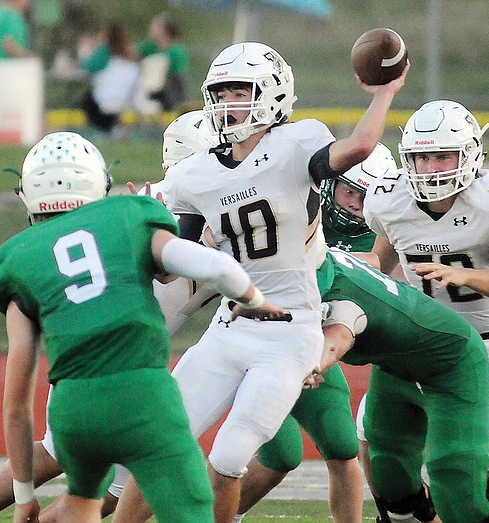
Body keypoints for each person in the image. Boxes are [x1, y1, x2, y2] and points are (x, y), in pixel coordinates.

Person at [110, 41, 408, 523]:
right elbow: (173, 265)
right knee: (161, 440)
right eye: (221, 92)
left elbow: (360, 147)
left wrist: (384, 93)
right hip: (231, 328)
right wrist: (140, 223)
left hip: (290, 330)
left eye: (240, 90)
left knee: (229, 457)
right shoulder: (195, 172)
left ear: (272, 93)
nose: (229, 103)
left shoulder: (297, 143)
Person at [0, 131, 287, 523]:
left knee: (82, 499)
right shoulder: (132, 217)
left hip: (74, 403)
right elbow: (212, 268)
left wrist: (23, 496)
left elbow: (16, 404)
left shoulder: (16, 259)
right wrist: (258, 301)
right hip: (143, 393)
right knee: (185, 508)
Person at [363, 100, 489, 522]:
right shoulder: (389, 198)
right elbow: (378, 263)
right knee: (372, 437)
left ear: (470, 154)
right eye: (422, 156)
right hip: (425, 346)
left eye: (443, 155)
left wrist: (463, 276)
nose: (432, 167)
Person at [310, 246, 489, 523]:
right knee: (393, 491)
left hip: (449, 363)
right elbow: (368, 261)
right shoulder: (316, 264)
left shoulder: (334, 295)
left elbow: (338, 338)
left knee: (466, 508)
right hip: (396, 365)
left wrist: (305, 366)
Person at [233, 143, 398, 523]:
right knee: (281, 454)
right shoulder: (294, 203)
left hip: (314, 346)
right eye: (351, 191)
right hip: (259, 341)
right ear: (329, 183)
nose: (357, 204)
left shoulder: (378, 234)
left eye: (367, 196)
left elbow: (378, 266)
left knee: (342, 445)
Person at [78, 21, 141, 135]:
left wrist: (85, 51)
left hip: (105, 98)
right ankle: (115, 127)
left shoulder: (105, 52)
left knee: (85, 100)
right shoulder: (130, 55)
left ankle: (110, 129)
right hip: (128, 97)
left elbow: (89, 66)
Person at [136, 12, 190, 111]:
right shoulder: (149, 47)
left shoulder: (176, 51)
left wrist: (161, 85)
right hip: (150, 90)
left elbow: (179, 75)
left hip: (168, 92)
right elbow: (134, 57)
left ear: (163, 30)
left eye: (154, 27)